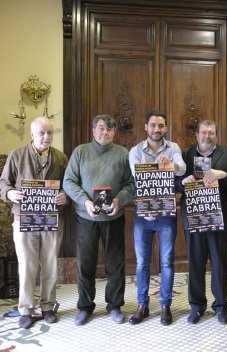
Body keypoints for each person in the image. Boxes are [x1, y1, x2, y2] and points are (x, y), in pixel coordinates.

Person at [63, 114, 134, 326]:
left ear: (114, 133)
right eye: (101, 128)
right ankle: (85, 307)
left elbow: (131, 184)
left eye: (110, 129)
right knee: (86, 264)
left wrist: (119, 200)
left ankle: (114, 305)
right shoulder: (80, 152)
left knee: (115, 264)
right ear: (93, 131)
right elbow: (68, 182)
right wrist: (84, 202)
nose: (105, 132)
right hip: (86, 218)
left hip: (114, 217)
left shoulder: (123, 154)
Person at [0, 117, 68, 329]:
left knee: (50, 265)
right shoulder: (16, 156)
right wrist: (10, 193)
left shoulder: (60, 158)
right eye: (41, 133)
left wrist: (65, 195)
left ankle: (47, 306)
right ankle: (26, 309)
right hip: (24, 220)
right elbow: (3, 183)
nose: (46, 137)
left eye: (49, 133)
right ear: (32, 135)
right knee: (27, 266)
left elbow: (70, 184)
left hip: (51, 219)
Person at [175, 119, 227, 324]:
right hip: (194, 217)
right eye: (203, 133)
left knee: (220, 263)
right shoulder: (186, 155)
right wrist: (182, 182)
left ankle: (221, 306)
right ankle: (197, 307)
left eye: (211, 133)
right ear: (197, 135)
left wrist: (224, 174)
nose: (207, 136)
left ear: (216, 136)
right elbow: (175, 181)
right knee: (195, 263)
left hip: (219, 217)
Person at [128, 110, 186, 326]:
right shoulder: (135, 151)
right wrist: (160, 168)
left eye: (161, 126)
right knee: (142, 262)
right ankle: (142, 304)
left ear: (165, 128)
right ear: (146, 127)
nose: (157, 129)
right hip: (143, 214)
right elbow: (140, 178)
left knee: (167, 262)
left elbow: (182, 169)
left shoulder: (173, 148)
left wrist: (171, 165)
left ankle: (165, 305)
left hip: (166, 214)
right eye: (153, 125)